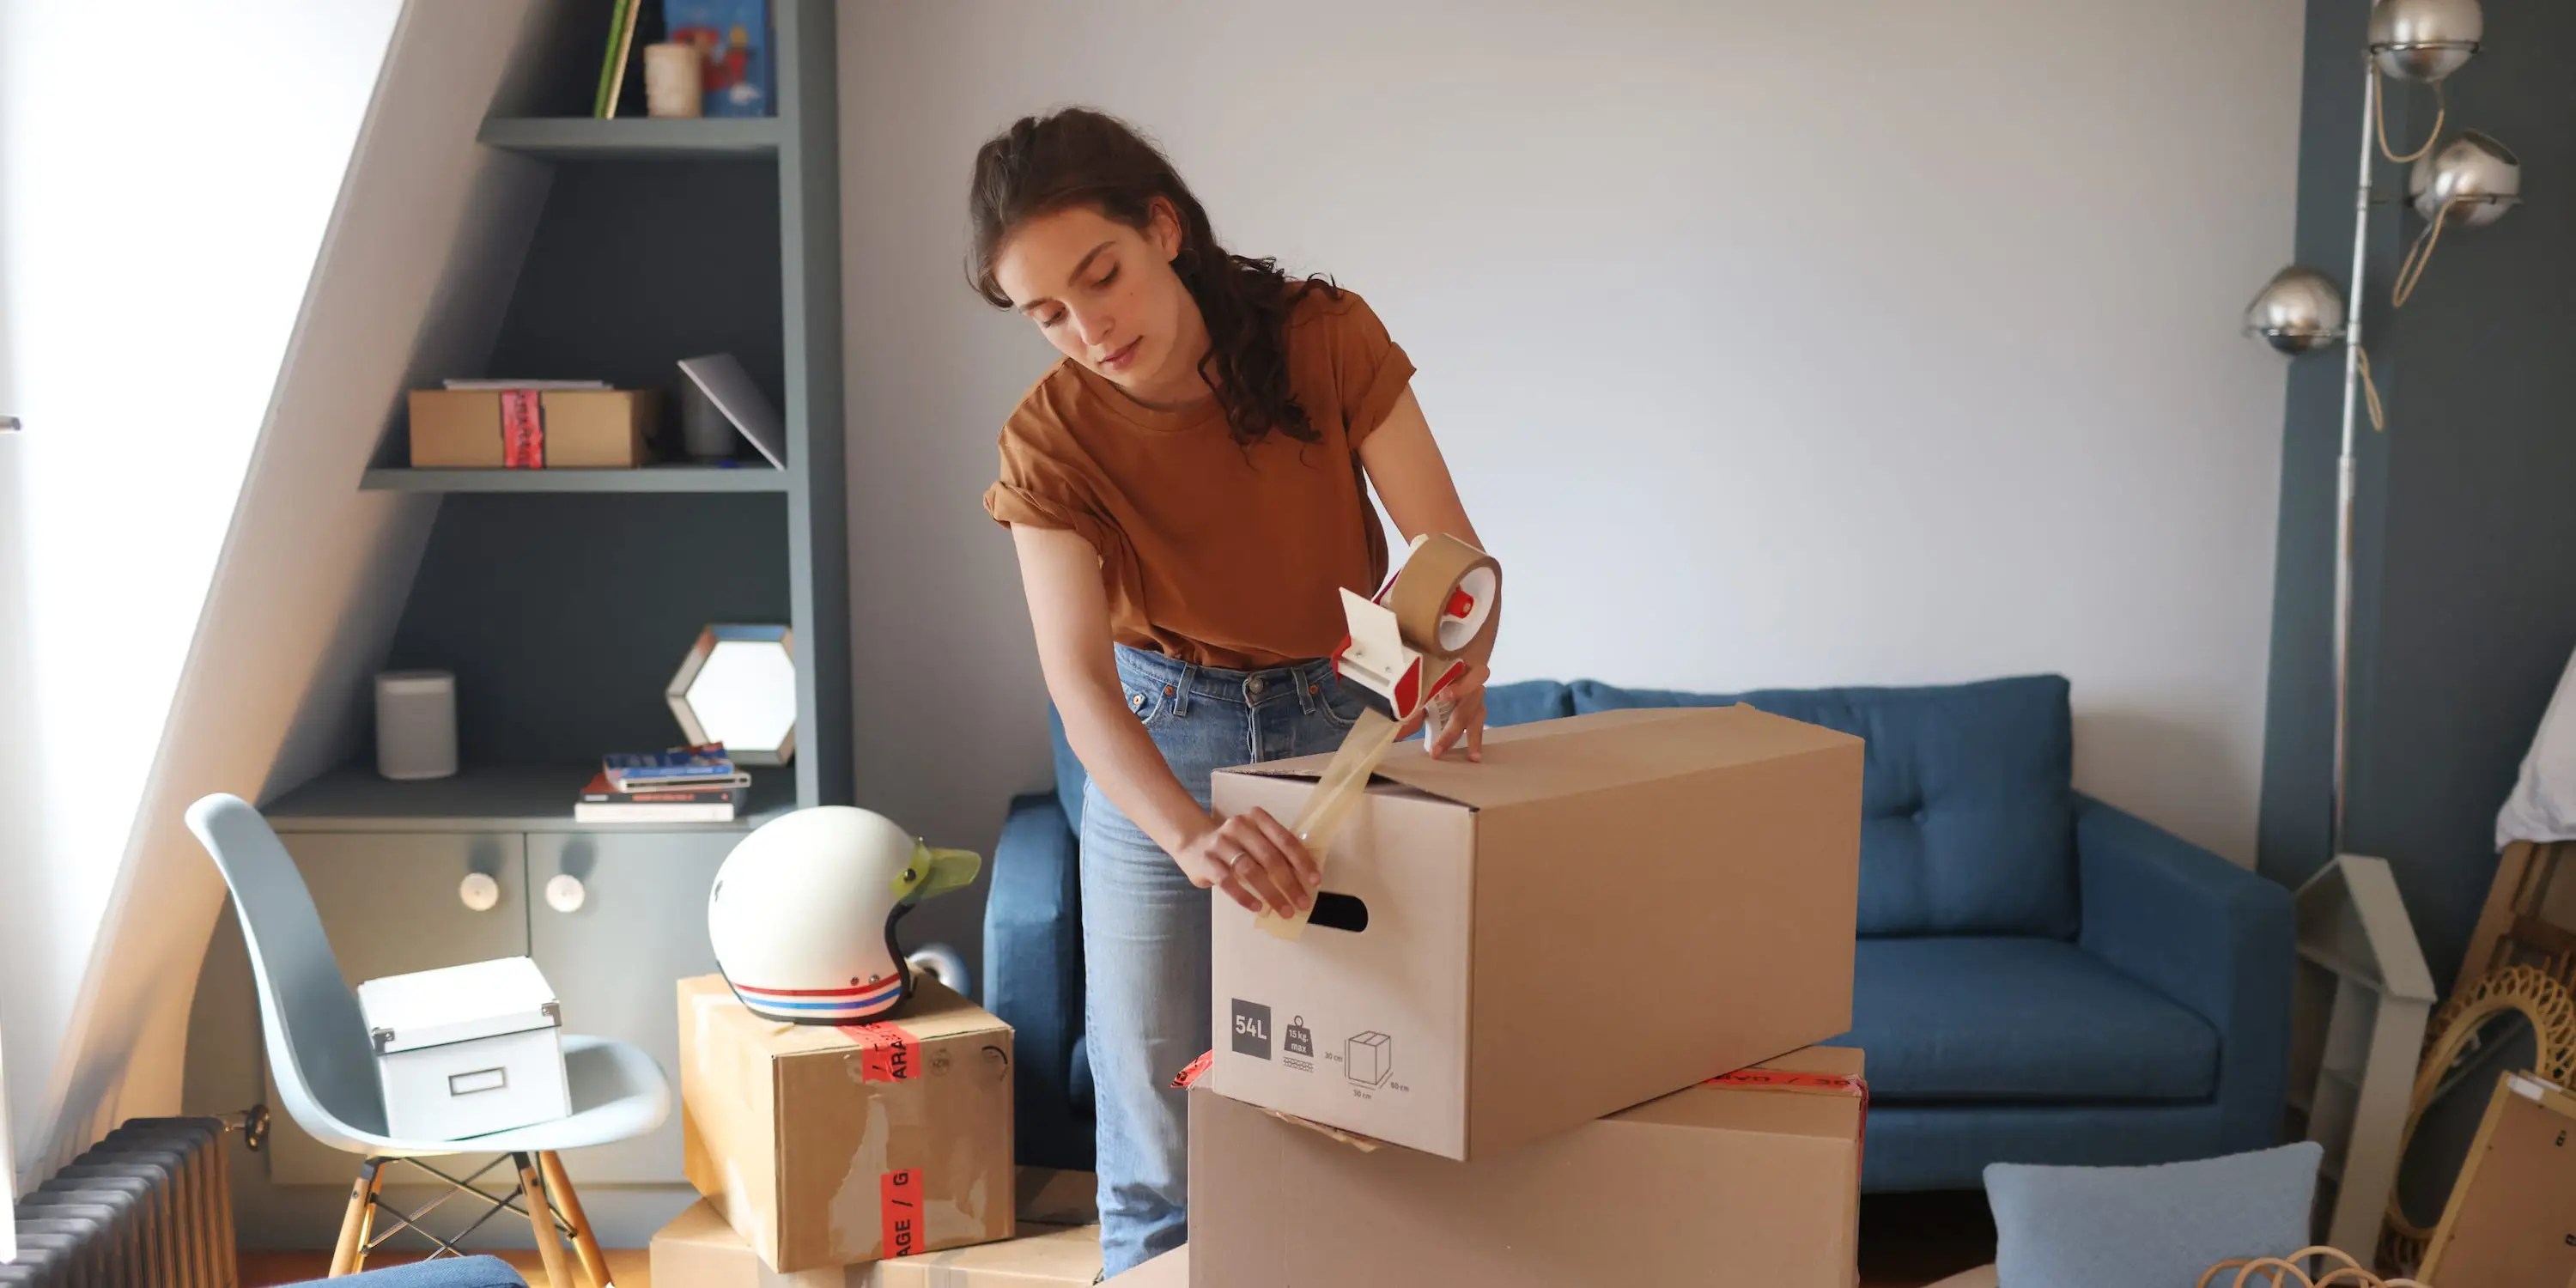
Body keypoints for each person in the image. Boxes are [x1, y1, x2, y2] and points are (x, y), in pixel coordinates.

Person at [970, 106, 1495, 1275]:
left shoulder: (1322, 337)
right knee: (1154, 1131)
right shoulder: (1047, 443)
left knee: (1373, 1088)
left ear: (1163, 229)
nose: (1088, 329)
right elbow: (1078, 681)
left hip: (1344, 710)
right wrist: (1190, 835)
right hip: (1162, 731)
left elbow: (1442, 548)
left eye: (1102, 276)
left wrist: (1458, 650)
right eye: (1047, 313)